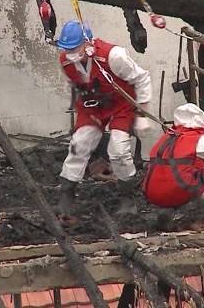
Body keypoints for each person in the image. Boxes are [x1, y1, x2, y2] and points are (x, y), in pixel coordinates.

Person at [56, 20, 152, 217]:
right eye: (67, 49)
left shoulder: (113, 56)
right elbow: (73, 85)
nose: (71, 53)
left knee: (118, 150)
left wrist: (142, 113)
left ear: (88, 43)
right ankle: (67, 195)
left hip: (120, 105)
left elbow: (142, 78)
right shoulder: (65, 62)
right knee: (78, 145)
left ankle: (128, 198)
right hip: (91, 106)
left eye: (75, 48)